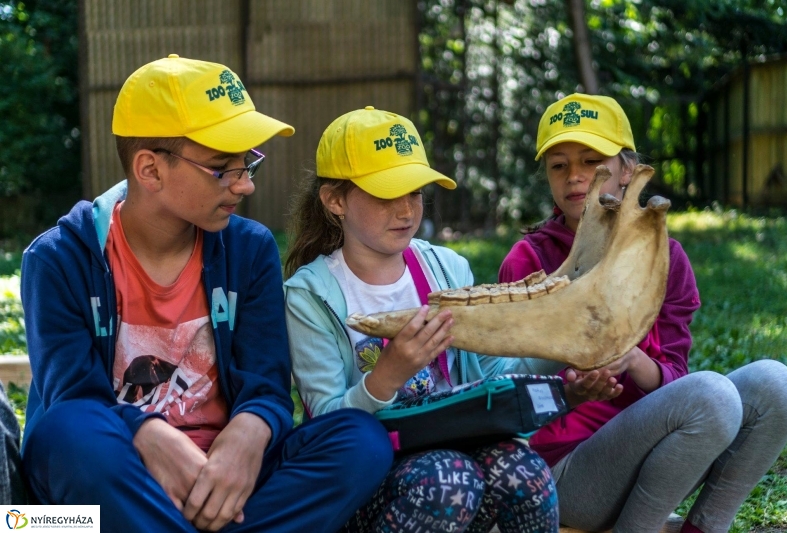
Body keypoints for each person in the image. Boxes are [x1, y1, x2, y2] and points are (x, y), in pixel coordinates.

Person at [20, 55, 392, 532]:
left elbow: (267, 389)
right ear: (150, 170)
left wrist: (250, 431)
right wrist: (147, 434)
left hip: (229, 482)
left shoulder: (250, 249)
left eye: (248, 163)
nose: (246, 184)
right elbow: (73, 398)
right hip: (116, 481)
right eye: (222, 169)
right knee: (67, 435)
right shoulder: (57, 258)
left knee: (361, 440)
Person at [498, 93, 787, 533]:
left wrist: (635, 361)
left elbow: (677, 376)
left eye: (592, 161)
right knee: (713, 395)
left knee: (777, 385)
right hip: (562, 473)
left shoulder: (666, 258)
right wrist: (573, 383)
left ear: (628, 170)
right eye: (558, 165)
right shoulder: (529, 261)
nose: (575, 176)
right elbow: (511, 392)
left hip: (659, 459)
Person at [284, 106, 559, 533]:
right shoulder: (311, 295)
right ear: (335, 200)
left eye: (414, 192)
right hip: (369, 476)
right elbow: (327, 425)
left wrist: (563, 357)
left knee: (524, 473)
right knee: (449, 479)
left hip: (458, 450)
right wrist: (387, 376)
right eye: (385, 195)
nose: (406, 211)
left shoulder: (448, 270)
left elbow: (491, 372)